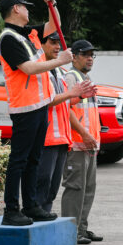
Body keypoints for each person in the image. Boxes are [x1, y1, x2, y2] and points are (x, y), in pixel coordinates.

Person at [0, 0, 74, 226]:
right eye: (25, 6)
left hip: (40, 105)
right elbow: (28, 68)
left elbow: (55, 23)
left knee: (34, 159)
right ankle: (12, 209)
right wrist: (60, 61)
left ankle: (31, 206)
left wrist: (53, 2)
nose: (29, 10)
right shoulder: (8, 38)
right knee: (19, 160)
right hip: (25, 107)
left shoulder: (29, 34)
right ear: (16, 9)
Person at [35, 32, 94, 213]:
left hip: (62, 138)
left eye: (58, 43)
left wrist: (78, 97)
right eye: (52, 43)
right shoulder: (40, 70)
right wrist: (72, 93)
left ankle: (47, 222)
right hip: (47, 137)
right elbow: (45, 100)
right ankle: (40, 223)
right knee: (42, 186)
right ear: (41, 45)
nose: (57, 47)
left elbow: (64, 103)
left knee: (52, 190)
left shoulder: (59, 73)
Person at [61, 39, 103, 245]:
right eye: (85, 55)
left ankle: (81, 229)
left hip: (89, 145)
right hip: (78, 144)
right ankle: (71, 231)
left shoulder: (85, 78)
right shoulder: (70, 78)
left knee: (88, 189)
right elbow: (65, 109)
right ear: (74, 56)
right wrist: (85, 134)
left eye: (91, 55)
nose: (90, 58)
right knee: (75, 188)